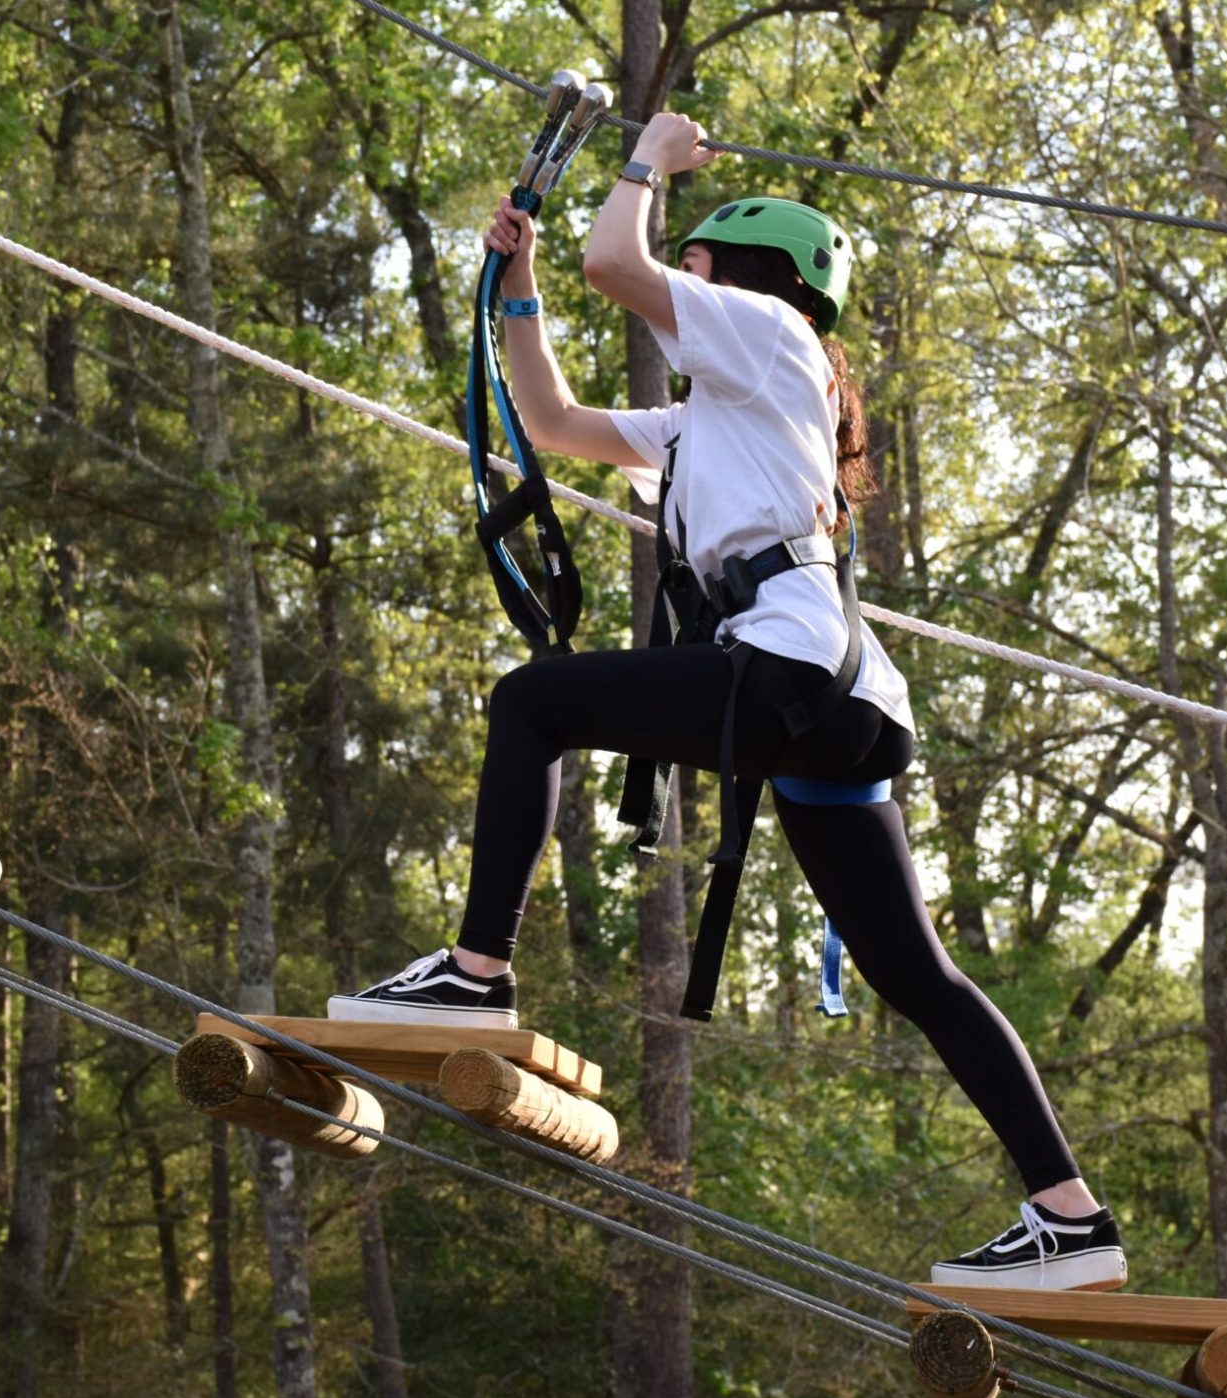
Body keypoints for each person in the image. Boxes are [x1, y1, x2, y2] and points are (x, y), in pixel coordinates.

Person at [329, 112, 1126, 1291]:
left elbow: (621, 263)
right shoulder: (715, 414)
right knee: (917, 974)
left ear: (754, 277)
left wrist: (647, 158)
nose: (675, 276)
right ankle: (1071, 1221)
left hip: (790, 669)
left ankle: (475, 971)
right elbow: (551, 423)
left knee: (531, 703)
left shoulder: (768, 333)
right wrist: (520, 283)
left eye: (693, 259)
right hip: (824, 697)